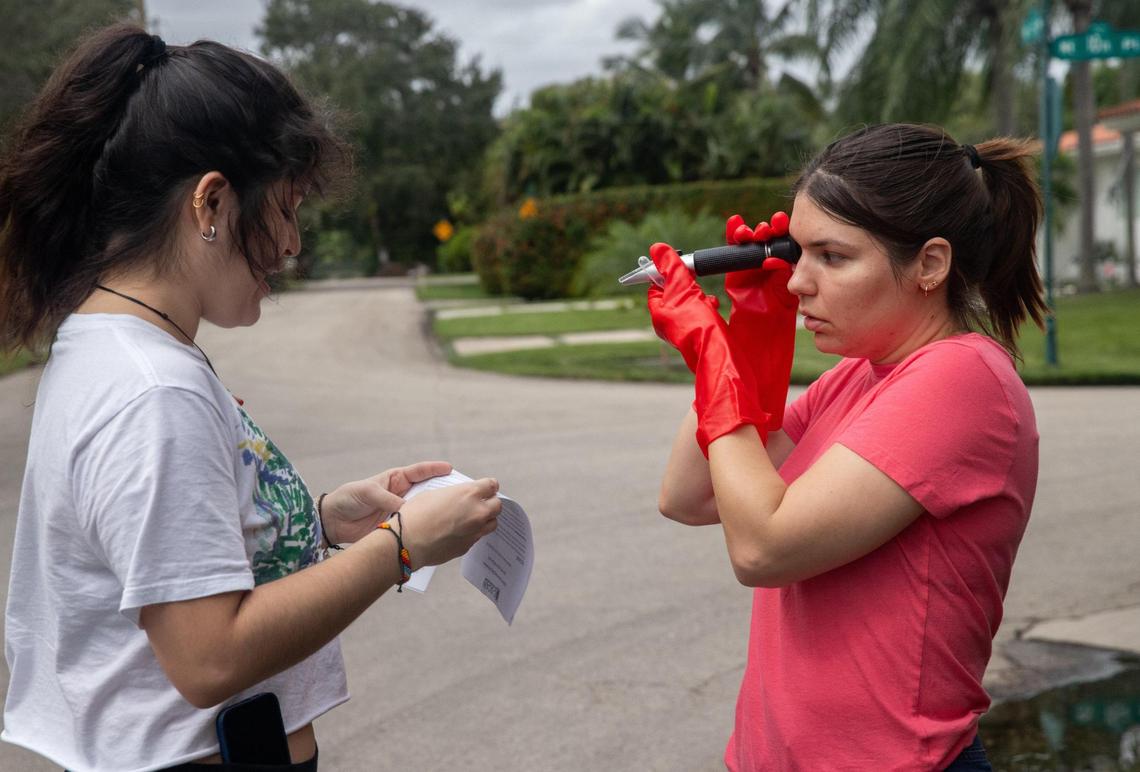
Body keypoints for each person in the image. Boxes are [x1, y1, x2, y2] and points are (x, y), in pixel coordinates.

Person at [0, 24, 502, 771]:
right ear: (211, 202)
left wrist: (320, 520)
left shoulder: (114, 345)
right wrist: (404, 548)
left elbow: (163, 551)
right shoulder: (152, 392)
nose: (294, 244)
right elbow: (210, 657)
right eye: (287, 209)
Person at [647, 123, 1046, 771]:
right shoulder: (858, 378)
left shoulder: (962, 380)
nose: (799, 281)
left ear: (930, 264)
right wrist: (750, 339)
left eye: (831, 257)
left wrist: (711, 358)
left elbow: (762, 546)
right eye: (797, 252)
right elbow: (691, 496)